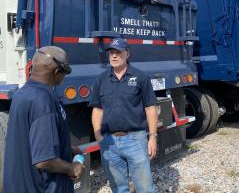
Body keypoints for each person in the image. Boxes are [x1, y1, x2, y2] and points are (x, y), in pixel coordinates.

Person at [4, 46, 85, 193]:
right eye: (65, 72)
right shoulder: (43, 101)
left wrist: (65, 148)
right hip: (42, 188)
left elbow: (31, 140)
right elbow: (44, 160)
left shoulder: (22, 94)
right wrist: (71, 168)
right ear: (56, 72)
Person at [90, 38, 158, 193]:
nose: (114, 56)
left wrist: (152, 137)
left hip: (135, 139)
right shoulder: (101, 79)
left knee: (145, 188)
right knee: (119, 188)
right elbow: (97, 110)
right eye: (111, 53)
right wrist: (98, 136)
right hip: (109, 142)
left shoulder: (140, 77)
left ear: (127, 54)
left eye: (118, 52)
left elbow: (150, 108)